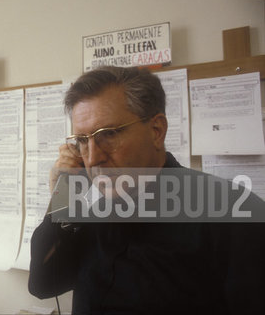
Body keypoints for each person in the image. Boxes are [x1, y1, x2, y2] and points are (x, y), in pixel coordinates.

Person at [28, 66, 265, 314]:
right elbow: (43, 285)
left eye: (108, 134)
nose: (93, 158)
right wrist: (63, 197)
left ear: (157, 131)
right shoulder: (93, 213)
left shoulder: (236, 214)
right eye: (83, 140)